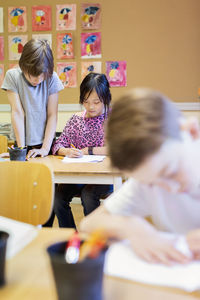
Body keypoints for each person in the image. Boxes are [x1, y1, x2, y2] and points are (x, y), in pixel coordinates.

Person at [80, 88, 200, 265]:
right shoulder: (149, 178)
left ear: (191, 131)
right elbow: (89, 224)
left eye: (171, 172)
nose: (170, 189)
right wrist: (130, 227)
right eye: (151, 184)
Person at [50, 72, 113, 228]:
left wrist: (88, 151)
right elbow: (58, 145)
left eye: (96, 102)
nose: (90, 107)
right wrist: (66, 151)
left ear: (106, 98)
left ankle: (94, 237)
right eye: (85, 101)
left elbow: (119, 148)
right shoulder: (76, 119)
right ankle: (71, 237)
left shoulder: (114, 118)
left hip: (104, 175)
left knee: (88, 195)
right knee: (57, 197)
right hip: (78, 174)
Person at [1, 39, 64, 159]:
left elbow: (52, 115)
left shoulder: (52, 78)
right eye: (32, 76)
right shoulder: (13, 76)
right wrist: (21, 150)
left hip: (45, 143)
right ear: (23, 66)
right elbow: (18, 113)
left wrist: (45, 149)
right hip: (21, 143)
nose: (37, 80)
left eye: (42, 76)